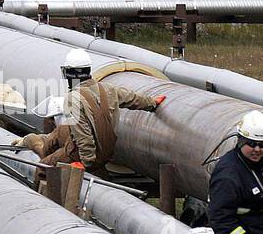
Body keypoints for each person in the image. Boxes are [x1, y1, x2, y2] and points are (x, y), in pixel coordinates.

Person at [13, 48, 164, 172]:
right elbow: (132, 98)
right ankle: (33, 141)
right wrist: (152, 102)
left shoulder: (72, 98)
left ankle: (32, 142)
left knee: (43, 166)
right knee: (60, 132)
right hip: (106, 151)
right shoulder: (107, 89)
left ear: (69, 74)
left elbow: (83, 133)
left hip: (86, 155)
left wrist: (85, 163)